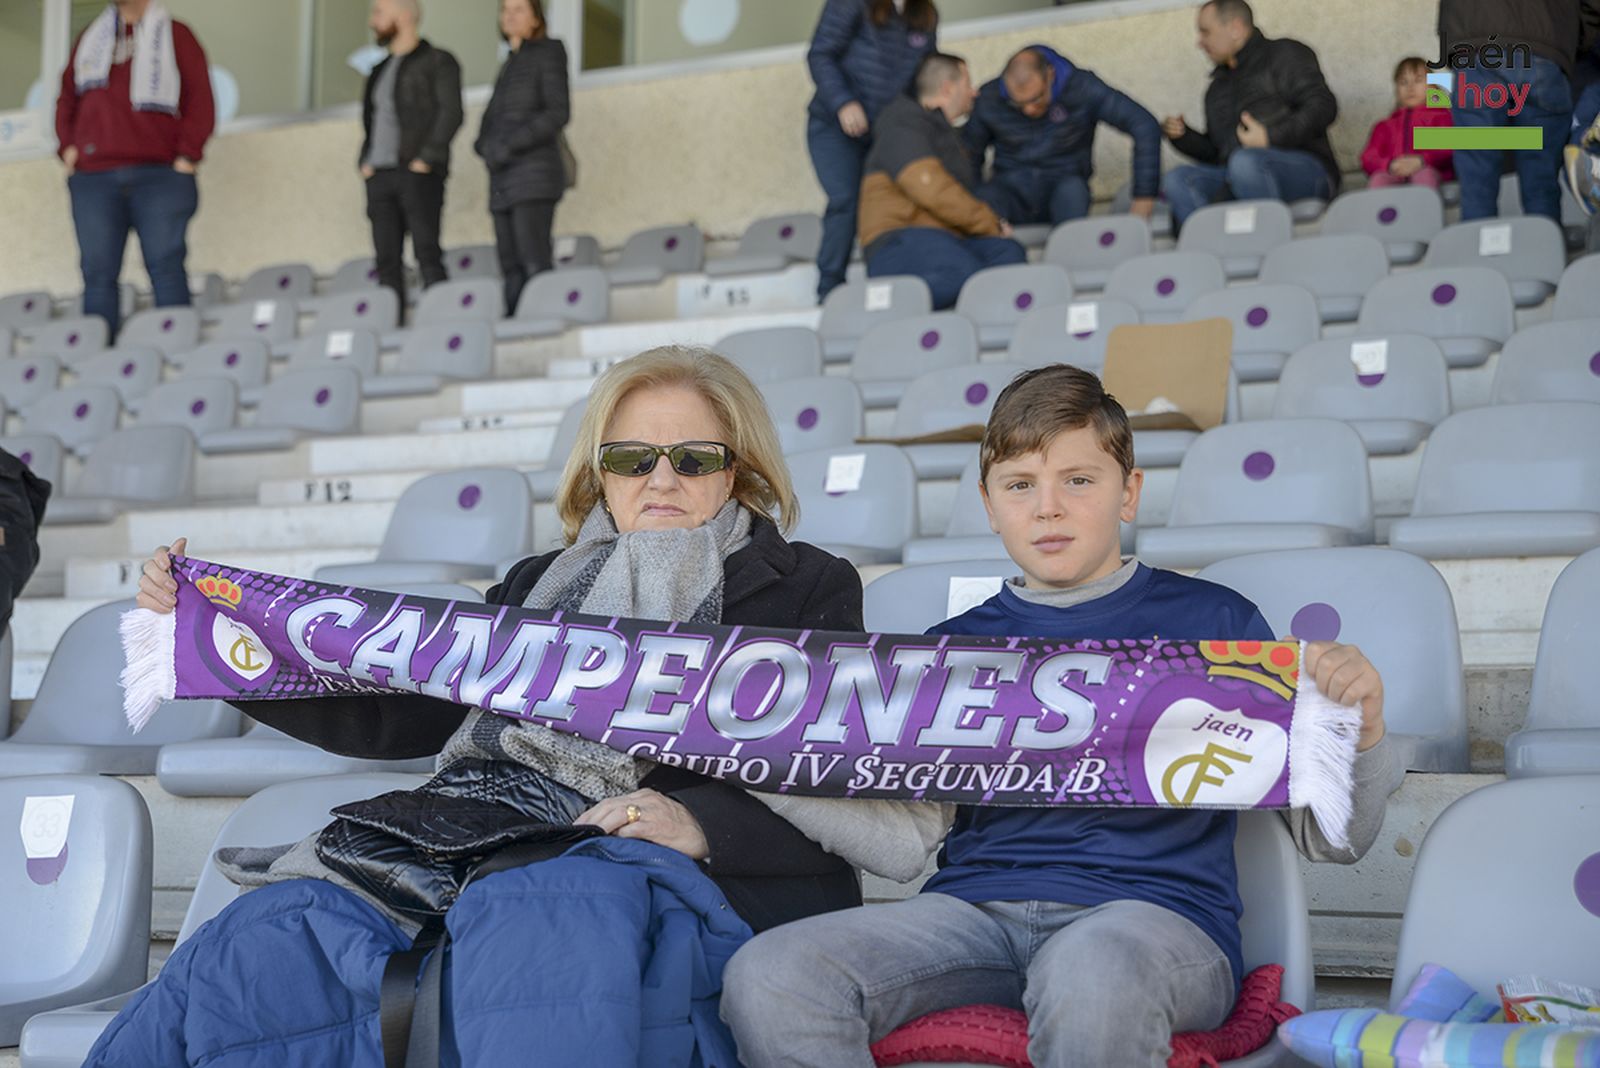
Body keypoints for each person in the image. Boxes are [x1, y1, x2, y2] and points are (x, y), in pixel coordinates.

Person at [98, 347, 947, 1066]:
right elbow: (399, 707)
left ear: (739, 472)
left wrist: (700, 826)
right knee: (273, 934)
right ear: (598, 475)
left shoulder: (803, 584)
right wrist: (217, 629)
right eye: (630, 459)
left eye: (692, 458)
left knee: (538, 913)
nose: (661, 480)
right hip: (478, 830)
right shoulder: (533, 588)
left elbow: (833, 766)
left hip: (632, 859)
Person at [720, 364, 1401, 1068]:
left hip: (1150, 923)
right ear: (989, 505)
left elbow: (1333, 840)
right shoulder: (951, 648)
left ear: (1128, 492)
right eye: (1020, 485)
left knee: (1093, 971)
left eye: (1079, 480)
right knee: (771, 975)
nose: (1048, 508)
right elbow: (905, 836)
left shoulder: (1217, 624)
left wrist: (1365, 730)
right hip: (970, 915)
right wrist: (744, 759)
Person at [55, 0, 214, 343]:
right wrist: (67, 147)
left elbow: (201, 99)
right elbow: (67, 97)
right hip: (94, 178)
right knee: (97, 273)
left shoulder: (176, 34)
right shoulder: (91, 37)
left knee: (166, 265)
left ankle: (177, 351)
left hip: (160, 175)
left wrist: (187, 156)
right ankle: (97, 364)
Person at [858, 52, 1026, 310]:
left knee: (1009, 254)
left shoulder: (943, 132)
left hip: (943, 238)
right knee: (963, 272)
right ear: (948, 88)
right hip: (898, 239)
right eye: (967, 85)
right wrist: (990, 223)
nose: (974, 93)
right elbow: (933, 190)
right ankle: (883, 309)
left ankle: (979, 330)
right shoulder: (901, 125)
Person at [1160, 0, 1339, 229]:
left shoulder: (1285, 54)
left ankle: (1266, 246)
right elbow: (1218, 153)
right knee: (1178, 178)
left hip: (1308, 170)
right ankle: (1211, 256)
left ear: (1235, 28)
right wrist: (1184, 138)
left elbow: (1324, 106)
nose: (1200, 43)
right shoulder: (1216, 89)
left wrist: (1270, 138)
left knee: (1245, 162)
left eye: (1205, 32)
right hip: (1239, 174)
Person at [806, 0, 940, 304]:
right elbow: (820, 53)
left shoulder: (926, 14)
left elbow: (926, 77)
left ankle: (888, 291)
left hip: (885, 131)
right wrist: (843, 102)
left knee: (889, 204)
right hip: (834, 125)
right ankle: (829, 292)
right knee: (846, 201)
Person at [964, 44, 1162, 225]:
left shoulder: (1082, 88)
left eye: (1036, 98)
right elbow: (969, 155)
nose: (1029, 110)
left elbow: (1144, 125)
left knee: (1073, 192)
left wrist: (1143, 203)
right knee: (980, 201)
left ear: (1050, 75)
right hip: (1009, 190)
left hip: (1064, 186)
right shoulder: (990, 97)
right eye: (1018, 104)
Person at [1438, 0, 1600, 221]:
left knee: (1477, 171)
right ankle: (1545, 247)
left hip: (1477, 51)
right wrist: (1570, 42)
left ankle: (1477, 249)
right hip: (1544, 52)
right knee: (1541, 176)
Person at [359, 0, 463, 312]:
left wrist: (425, 159)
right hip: (379, 174)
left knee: (427, 251)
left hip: (417, 172)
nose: (372, 20)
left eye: (379, 12)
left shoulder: (437, 61)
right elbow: (371, 122)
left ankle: (440, 321)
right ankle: (390, 327)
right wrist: (364, 161)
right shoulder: (378, 70)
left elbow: (451, 113)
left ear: (404, 16)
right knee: (386, 260)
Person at [474, 0, 570, 318]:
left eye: (519, 9)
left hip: (534, 176)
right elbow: (494, 119)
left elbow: (557, 112)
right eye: (505, 10)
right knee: (510, 263)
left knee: (533, 259)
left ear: (536, 18)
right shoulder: (510, 63)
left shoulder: (549, 51)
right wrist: (484, 145)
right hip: (502, 179)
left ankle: (541, 324)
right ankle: (516, 325)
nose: (510, 16)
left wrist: (508, 147)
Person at [1361, 57, 1454, 189]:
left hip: (1434, 175)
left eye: (1418, 80)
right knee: (1378, 180)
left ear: (1434, 86)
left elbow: (1449, 148)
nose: (1410, 87)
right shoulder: (1384, 126)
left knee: (1424, 175)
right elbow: (1368, 157)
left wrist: (1423, 161)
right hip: (1394, 174)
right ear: (1397, 90)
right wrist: (1389, 165)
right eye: (1403, 82)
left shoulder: (1442, 118)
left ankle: (1423, 210)